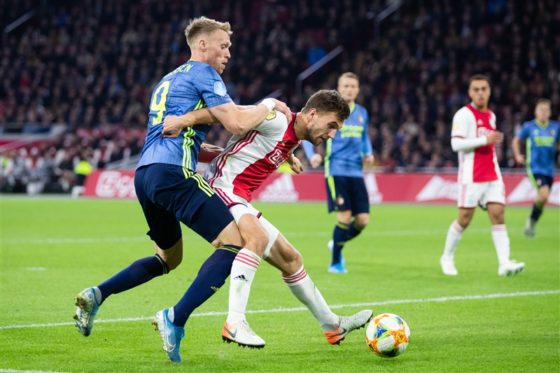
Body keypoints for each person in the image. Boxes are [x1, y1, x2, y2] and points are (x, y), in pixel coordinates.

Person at [73, 16, 290, 363]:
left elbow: (169, 131)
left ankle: (99, 293)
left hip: (146, 175)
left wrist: (206, 149)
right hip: (174, 173)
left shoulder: (168, 80)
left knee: (169, 258)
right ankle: (175, 318)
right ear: (202, 44)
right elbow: (234, 121)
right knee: (237, 241)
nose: (228, 53)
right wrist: (267, 104)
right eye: (224, 45)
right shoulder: (205, 74)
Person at [163, 89, 373, 349]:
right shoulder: (276, 119)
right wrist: (183, 121)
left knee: (291, 258)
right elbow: (228, 114)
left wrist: (289, 155)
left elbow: (264, 144)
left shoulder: (293, 134)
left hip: (239, 196)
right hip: (221, 187)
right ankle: (235, 322)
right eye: (331, 126)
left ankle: (333, 326)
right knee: (257, 238)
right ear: (312, 114)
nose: (332, 135)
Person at [439, 74, 525, 277]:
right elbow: (456, 144)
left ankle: (504, 264)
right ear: (470, 93)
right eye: (476, 89)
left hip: (492, 175)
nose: (480, 93)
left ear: (489, 91)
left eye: (483, 89)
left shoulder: (491, 115)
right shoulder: (463, 115)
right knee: (464, 219)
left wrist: (488, 143)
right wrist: (484, 140)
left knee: (498, 215)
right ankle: (447, 257)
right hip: (471, 176)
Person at [302, 72, 374, 274]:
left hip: (356, 172)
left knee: (362, 221)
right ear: (339, 88)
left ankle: (336, 242)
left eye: (353, 86)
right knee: (344, 217)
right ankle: (335, 262)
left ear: (358, 90)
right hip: (335, 170)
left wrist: (368, 152)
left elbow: (365, 135)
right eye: (346, 86)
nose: (349, 89)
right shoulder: (330, 112)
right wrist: (312, 155)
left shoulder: (362, 113)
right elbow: (306, 130)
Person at [512, 99, 560, 237]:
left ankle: (532, 221)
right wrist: (517, 155)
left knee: (543, 198)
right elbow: (516, 140)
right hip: (534, 168)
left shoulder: (555, 127)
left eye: (546, 110)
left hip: (550, 169)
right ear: (536, 112)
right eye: (541, 110)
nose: (543, 113)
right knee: (544, 193)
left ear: (550, 112)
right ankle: (531, 221)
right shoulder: (529, 127)